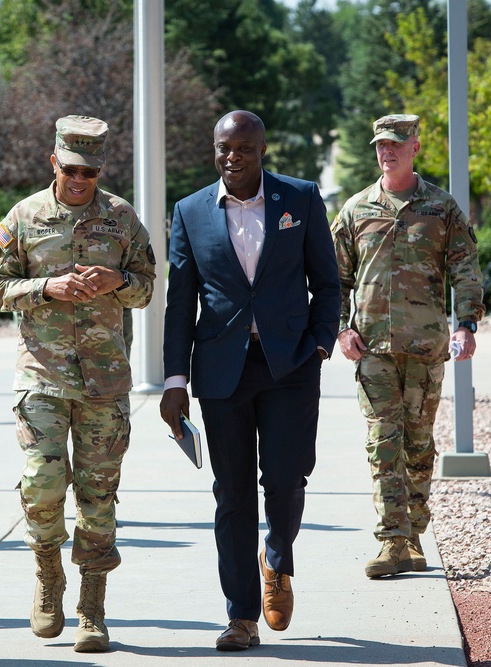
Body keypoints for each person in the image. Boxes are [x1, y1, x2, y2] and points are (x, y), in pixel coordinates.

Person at [160, 110, 341, 652]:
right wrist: (174, 381)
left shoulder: (301, 198)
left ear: (262, 150)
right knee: (231, 494)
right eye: (223, 148)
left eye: (243, 149)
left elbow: (327, 283)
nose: (232, 158)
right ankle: (241, 616)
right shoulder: (190, 211)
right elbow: (180, 304)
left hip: (289, 367)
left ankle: (277, 559)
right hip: (222, 373)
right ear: (213, 150)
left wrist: (321, 344)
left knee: (287, 479)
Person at [0, 115, 155, 653]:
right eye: (73, 169)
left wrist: (118, 281)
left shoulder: (122, 218)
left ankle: (93, 606)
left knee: (99, 494)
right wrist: (46, 287)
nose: (82, 180)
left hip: (105, 380)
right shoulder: (24, 217)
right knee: (41, 483)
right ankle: (48, 577)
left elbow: (148, 287)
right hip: (43, 377)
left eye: (92, 171)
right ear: (54, 161)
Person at [331, 114, 485, 579]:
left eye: (396, 144)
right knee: (383, 441)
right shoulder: (356, 209)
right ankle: (392, 540)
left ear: (415, 147)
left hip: (425, 346)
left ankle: (414, 530)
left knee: (418, 447)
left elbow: (465, 267)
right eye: (380, 144)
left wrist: (467, 325)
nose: (387, 151)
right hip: (372, 347)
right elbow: (333, 278)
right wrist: (341, 328)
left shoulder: (441, 207)